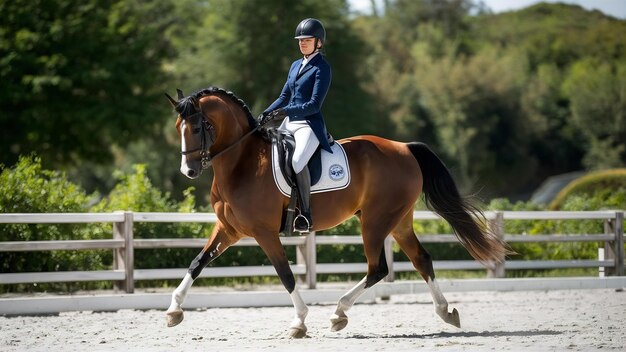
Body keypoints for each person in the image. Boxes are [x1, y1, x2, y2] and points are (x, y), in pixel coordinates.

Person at [261, 18, 333, 233]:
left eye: (307, 40)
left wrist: (286, 111)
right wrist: (265, 114)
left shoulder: (322, 67)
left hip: (309, 124)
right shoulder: (295, 65)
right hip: (289, 123)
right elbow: (284, 96)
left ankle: (305, 215)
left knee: (297, 161)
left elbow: (313, 105)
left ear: (318, 42)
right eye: (300, 40)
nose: (302, 43)